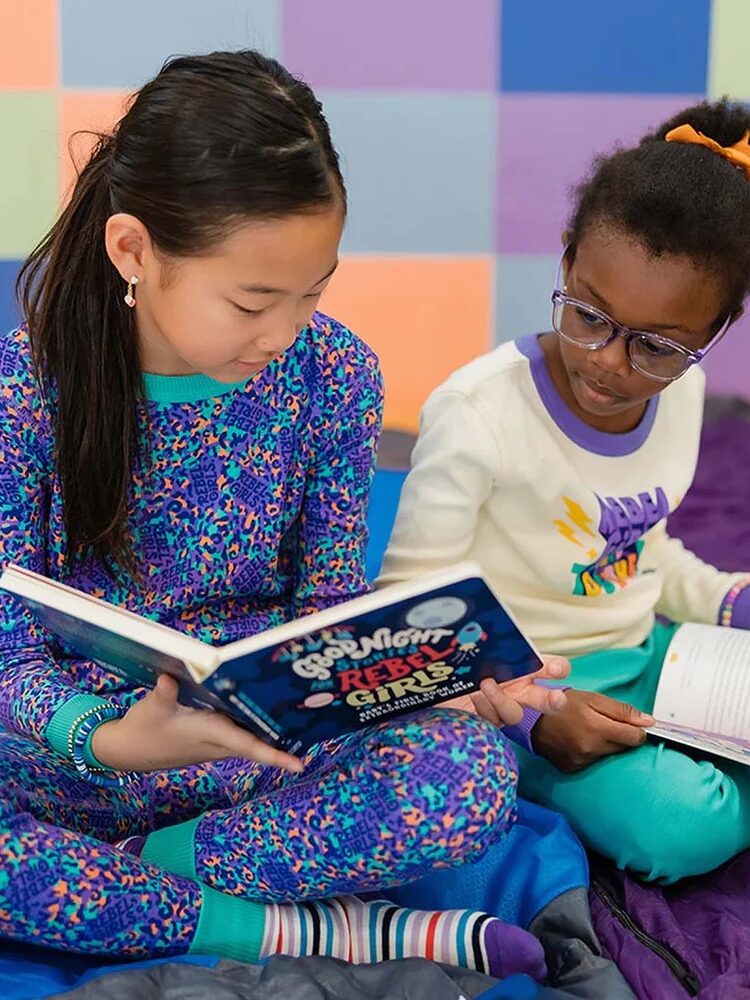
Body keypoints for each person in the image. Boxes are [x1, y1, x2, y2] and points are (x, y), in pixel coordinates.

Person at [0, 50, 564, 973]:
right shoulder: (25, 392)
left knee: (466, 779)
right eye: (254, 300)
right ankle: (302, 928)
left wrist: (421, 679)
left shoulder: (335, 376)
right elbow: (8, 650)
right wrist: (105, 740)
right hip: (79, 753)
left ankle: (141, 882)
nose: (286, 332)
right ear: (134, 250)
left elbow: (328, 611)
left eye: (314, 292)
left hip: (263, 755)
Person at [380, 99, 750, 885]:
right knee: (681, 824)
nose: (612, 362)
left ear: (716, 331)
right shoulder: (479, 414)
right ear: (565, 258)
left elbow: (638, 554)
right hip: (538, 687)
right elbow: (413, 618)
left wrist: (728, 603)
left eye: (657, 346)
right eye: (589, 315)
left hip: (653, 659)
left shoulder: (682, 395)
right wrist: (533, 723)